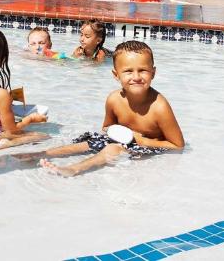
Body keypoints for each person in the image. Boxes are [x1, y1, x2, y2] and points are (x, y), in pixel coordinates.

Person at [33, 40, 184, 177]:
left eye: (143, 70)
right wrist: (116, 132)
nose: (136, 76)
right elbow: (106, 127)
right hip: (122, 140)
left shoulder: (159, 107)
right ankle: (38, 155)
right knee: (84, 144)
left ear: (153, 73)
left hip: (148, 146)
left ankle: (74, 169)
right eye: (128, 71)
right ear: (116, 75)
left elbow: (177, 145)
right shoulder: (114, 99)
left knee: (113, 149)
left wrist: (141, 140)